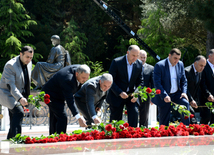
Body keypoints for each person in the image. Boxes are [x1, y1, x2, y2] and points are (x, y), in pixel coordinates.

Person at [42, 64, 90, 135]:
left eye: (87, 78)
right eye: (83, 78)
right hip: (51, 95)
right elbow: (70, 100)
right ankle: (61, 139)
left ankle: (53, 137)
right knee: (62, 117)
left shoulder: (81, 69)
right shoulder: (68, 79)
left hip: (59, 93)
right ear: (77, 74)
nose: (85, 80)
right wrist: (79, 118)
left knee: (55, 117)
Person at [0, 46, 34, 139]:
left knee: (14, 117)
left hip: (18, 94)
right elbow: (11, 86)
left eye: (31, 57)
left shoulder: (29, 63)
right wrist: (20, 98)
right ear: (21, 54)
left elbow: (26, 80)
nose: (29, 60)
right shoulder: (10, 65)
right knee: (19, 112)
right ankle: (16, 139)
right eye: (27, 57)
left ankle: (11, 139)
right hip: (8, 94)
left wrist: (27, 96)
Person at [106, 45, 143, 127]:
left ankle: (132, 135)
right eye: (133, 55)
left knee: (134, 113)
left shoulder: (139, 64)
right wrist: (120, 92)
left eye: (137, 56)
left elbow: (140, 82)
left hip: (131, 95)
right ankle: (114, 137)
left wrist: (137, 93)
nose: (135, 58)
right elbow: (110, 81)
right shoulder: (117, 62)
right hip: (117, 95)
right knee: (115, 121)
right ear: (127, 53)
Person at [151, 48, 190, 126]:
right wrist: (164, 95)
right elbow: (157, 83)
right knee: (164, 120)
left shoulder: (180, 64)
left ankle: (186, 128)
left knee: (185, 104)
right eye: (175, 58)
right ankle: (164, 134)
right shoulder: (160, 65)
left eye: (178, 59)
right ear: (169, 55)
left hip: (177, 94)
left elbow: (184, 81)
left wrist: (184, 92)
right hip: (164, 95)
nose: (177, 61)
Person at [185, 55, 206, 124]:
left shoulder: (200, 71)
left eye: (204, 66)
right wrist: (191, 100)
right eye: (201, 65)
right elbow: (185, 88)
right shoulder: (187, 71)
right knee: (192, 119)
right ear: (195, 63)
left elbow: (201, 86)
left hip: (193, 100)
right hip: (185, 99)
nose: (202, 68)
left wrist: (208, 95)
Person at [138, 50, 154, 127]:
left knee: (144, 117)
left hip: (145, 96)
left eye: (144, 57)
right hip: (134, 95)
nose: (143, 59)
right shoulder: (133, 66)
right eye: (141, 57)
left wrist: (152, 97)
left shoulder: (151, 68)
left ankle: (144, 132)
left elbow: (153, 83)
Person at [200, 49, 214, 124]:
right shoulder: (203, 66)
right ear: (209, 56)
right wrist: (208, 94)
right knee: (206, 117)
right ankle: (201, 132)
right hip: (205, 97)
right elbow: (202, 83)